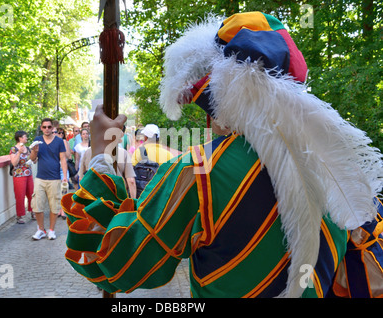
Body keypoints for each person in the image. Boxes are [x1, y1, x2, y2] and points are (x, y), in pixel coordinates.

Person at [62, 12, 383, 298]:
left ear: (222, 103)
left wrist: (103, 156)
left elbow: (114, 261)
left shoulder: (199, 170)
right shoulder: (342, 170)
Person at [30, 118, 68, 240]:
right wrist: (35, 152)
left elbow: (63, 159)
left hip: (55, 178)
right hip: (40, 178)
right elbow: (33, 159)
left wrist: (65, 177)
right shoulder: (37, 141)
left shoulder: (59, 141)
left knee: (54, 206)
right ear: (41, 128)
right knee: (37, 206)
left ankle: (51, 230)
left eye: (49, 127)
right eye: (44, 127)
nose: (47, 129)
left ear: (53, 128)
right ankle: (41, 229)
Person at [78, 126, 137, 198]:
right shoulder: (122, 153)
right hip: (117, 198)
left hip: (93, 197)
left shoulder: (87, 152)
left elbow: (81, 178)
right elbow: (131, 181)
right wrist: (133, 202)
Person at [9, 131, 34, 224]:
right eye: (25, 137)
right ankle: (19, 215)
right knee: (20, 195)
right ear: (20, 138)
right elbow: (14, 163)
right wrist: (19, 153)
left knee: (32, 194)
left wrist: (35, 152)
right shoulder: (14, 149)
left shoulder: (28, 148)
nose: (26, 138)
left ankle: (33, 212)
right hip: (19, 175)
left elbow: (34, 161)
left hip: (28, 174)